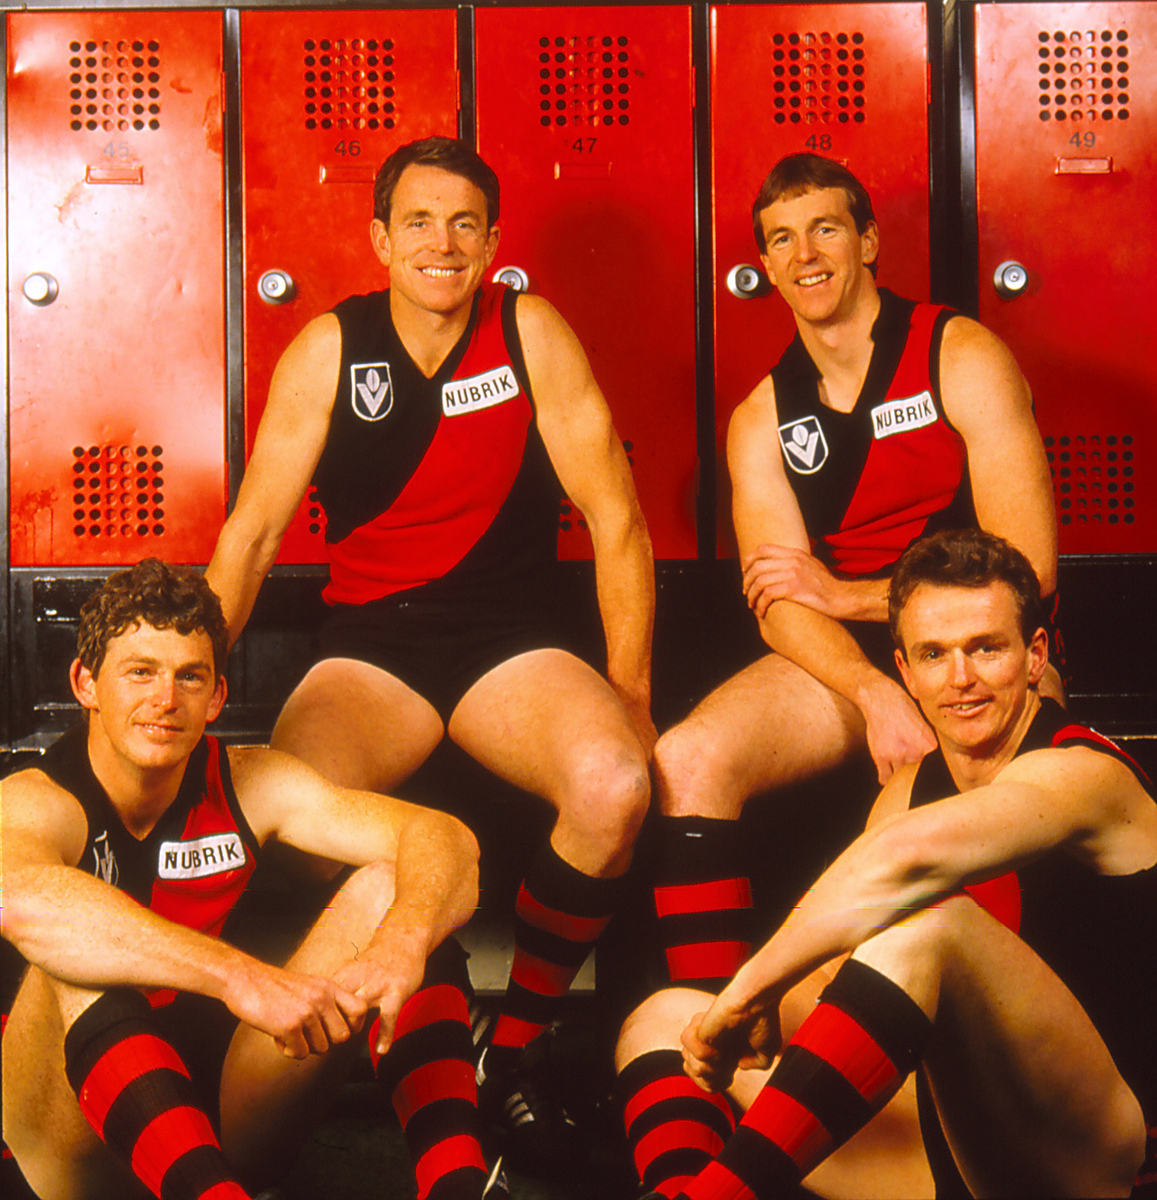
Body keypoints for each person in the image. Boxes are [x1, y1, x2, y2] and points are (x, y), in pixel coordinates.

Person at [205, 135, 654, 1168]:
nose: (441, 243)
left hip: (511, 641)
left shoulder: (529, 330)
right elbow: (254, 534)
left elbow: (615, 517)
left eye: (463, 223)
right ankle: (436, 1034)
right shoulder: (328, 346)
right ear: (379, 239)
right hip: (373, 644)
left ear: (493, 241)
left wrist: (630, 694)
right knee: (301, 811)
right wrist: (194, 677)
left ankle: (522, 1045)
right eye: (418, 221)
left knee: (614, 786)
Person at [617, 528, 1157, 1200]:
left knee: (927, 926)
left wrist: (744, 993)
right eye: (933, 655)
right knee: (663, 1019)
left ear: (1032, 654)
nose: (960, 678)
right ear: (903, 671)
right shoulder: (905, 792)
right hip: (963, 1146)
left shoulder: (1083, 774)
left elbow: (901, 865)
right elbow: (835, 971)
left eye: (984, 648)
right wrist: (751, 1017)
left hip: (1098, 1157)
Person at [649, 152, 1061, 992]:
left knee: (951, 805)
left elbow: (1026, 570)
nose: (805, 256)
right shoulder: (760, 417)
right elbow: (776, 604)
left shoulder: (958, 353)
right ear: (762, 265)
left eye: (826, 229)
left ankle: (991, 1043)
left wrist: (849, 597)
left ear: (868, 242)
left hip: (976, 646)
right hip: (854, 663)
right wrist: (875, 693)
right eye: (781, 239)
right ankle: (713, 1027)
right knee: (688, 758)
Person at [0, 559, 500, 1200]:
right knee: (74, 961)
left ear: (216, 698)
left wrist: (402, 939)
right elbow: (29, 903)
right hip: (64, 1146)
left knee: (389, 889)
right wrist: (242, 976)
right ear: (86, 683)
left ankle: (458, 1185)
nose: (165, 699)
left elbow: (446, 840)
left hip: (215, 1123)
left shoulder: (252, 780)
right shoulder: (35, 799)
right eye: (140, 672)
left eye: (190, 677)